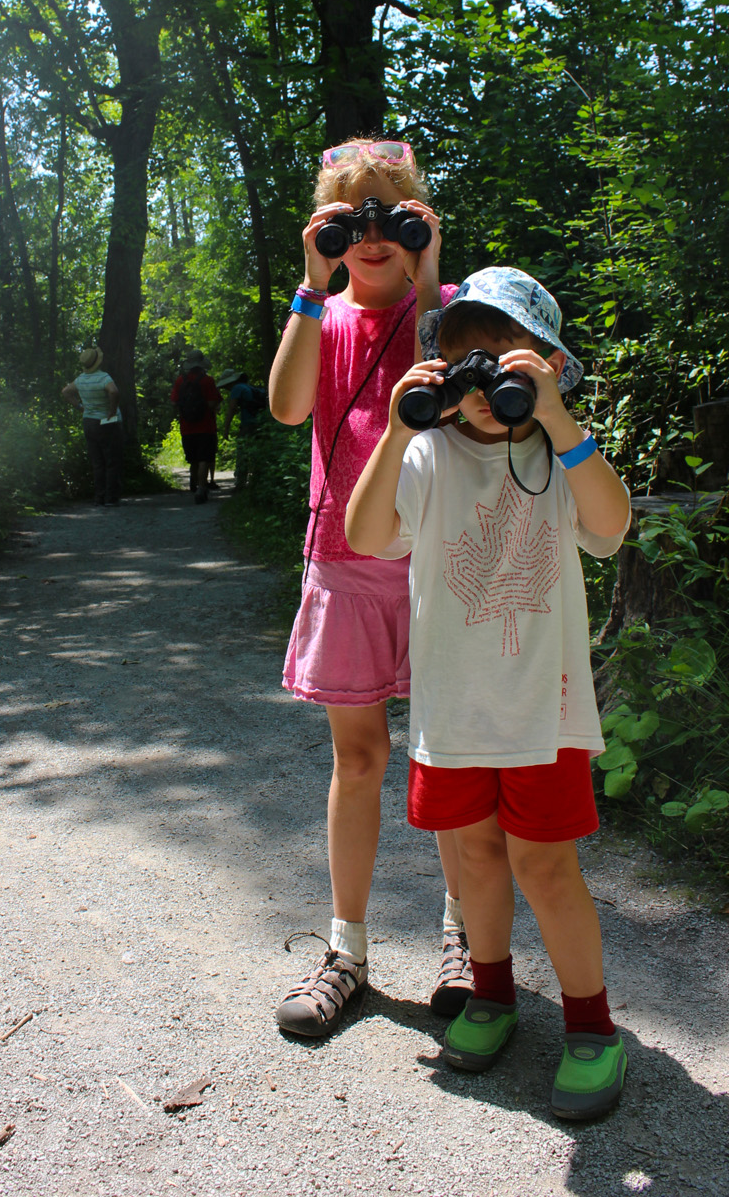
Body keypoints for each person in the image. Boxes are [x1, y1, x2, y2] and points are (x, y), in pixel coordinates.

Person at [345, 266, 631, 1119]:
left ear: (547, 363)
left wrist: (556, 417)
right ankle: (493, 995)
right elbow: (365, 536)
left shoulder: (558, 451)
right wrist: (399, 430)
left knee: (546, 866)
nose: (481, 377)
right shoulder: (430, 455)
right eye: (464, 358)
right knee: (474, 860)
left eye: (503, 356)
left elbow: (611, 530)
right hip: (455, 709)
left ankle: (592, 1025)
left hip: (541, 712)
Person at [269, 137, 468, 1040]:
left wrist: (431, 281)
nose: (373, 233)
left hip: (444, 564)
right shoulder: (324, 314)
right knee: (360, 759)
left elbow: (464, 394)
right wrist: (313, 287)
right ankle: (347, 949)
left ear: (421, 221)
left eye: (393, 211)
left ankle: (466, 940)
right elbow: (285, 405)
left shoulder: (454, 310)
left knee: (449, 757)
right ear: (328, 231)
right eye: (352, 217)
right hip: (345, 565)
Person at [62, 346, 122, 507]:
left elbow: (66, 392)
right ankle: (111, 498)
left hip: (89, 422)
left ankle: (99, 497)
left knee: (97, 462)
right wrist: (112, 410)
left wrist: (80, 407)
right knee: (111, 460)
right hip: (106, 423)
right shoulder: (103, 378)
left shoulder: (81, 379)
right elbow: (114, 392)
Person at [171, 349, 221, 503]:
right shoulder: (207, 380)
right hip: (206, 427)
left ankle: (194, 483)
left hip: (187, 427)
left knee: (193, 459)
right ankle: (201, 488)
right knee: (204, 458)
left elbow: (173, 402)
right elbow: (213, 403)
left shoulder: (180, 380)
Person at [216, 368, 267, 490]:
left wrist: (226, 429)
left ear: (229, 383)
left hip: (248, 424)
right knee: (257, 452)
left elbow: (232, 409)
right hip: (260, 423)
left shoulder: (236, 389)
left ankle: (241, 484)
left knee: (242, 453)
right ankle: (258, 481)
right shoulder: (247, 387)